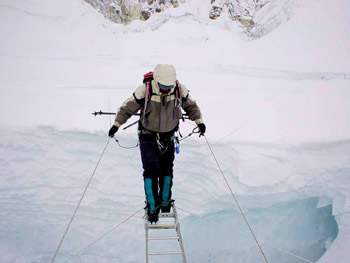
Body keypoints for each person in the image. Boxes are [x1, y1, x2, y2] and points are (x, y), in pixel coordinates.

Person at [108, 64, 205, 223]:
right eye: (163, 87)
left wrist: (199, 122)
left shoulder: (178, 89)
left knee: (167, 168)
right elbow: (127, 108)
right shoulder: (144, 90)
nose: (166, 89)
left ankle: (165, 201)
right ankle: (152, 206)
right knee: (151, 169)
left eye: (169, 87)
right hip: (148, 135)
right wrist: (116, 125)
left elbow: (191, 106)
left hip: (168, 135)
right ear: (156, 81)